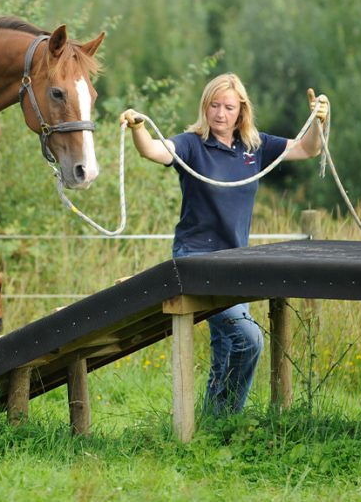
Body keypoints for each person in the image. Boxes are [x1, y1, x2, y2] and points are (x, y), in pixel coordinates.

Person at [120, 73, 329, 415]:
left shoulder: (254, 146)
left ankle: (214, 424)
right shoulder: (191, 144)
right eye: (214, 105)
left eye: (228, 107)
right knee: (249, 340)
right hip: (197, 261)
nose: (220, 113)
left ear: (240, 110)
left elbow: (308, 149)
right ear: (205, 107)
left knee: (226, 348)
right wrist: (138, 128)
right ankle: (231, 417)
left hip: (236, 263)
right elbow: (156, 152)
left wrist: (320, 120)